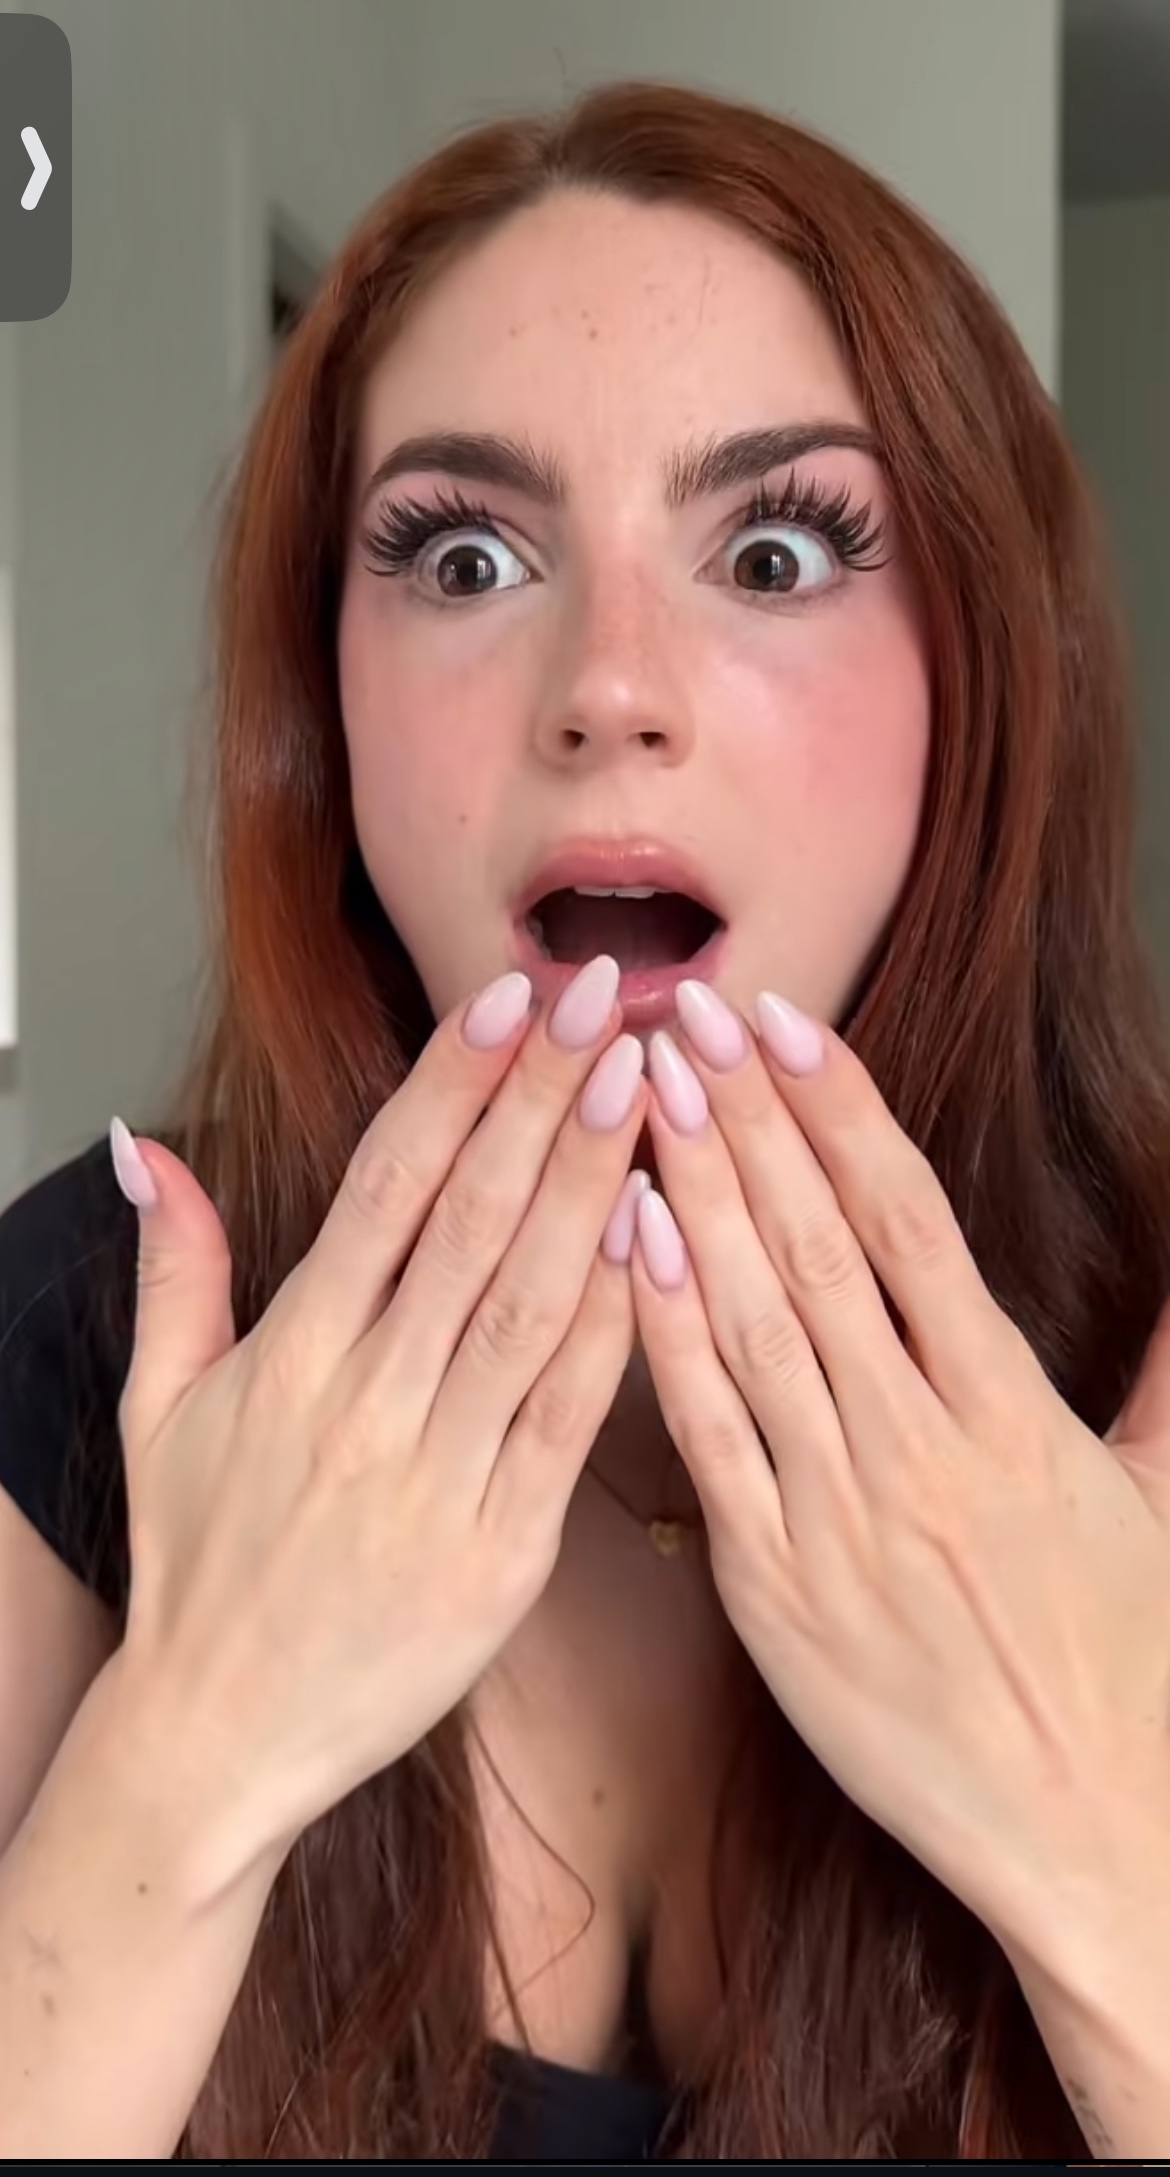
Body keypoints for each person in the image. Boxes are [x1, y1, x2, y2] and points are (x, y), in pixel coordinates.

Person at [1, 75, 1169, 2162]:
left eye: (776, 550)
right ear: (324, 713)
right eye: (465, 554)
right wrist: (183, 1768)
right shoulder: (89, 1334)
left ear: (980, 687)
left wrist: (1109, 1857)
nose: (608, 687)